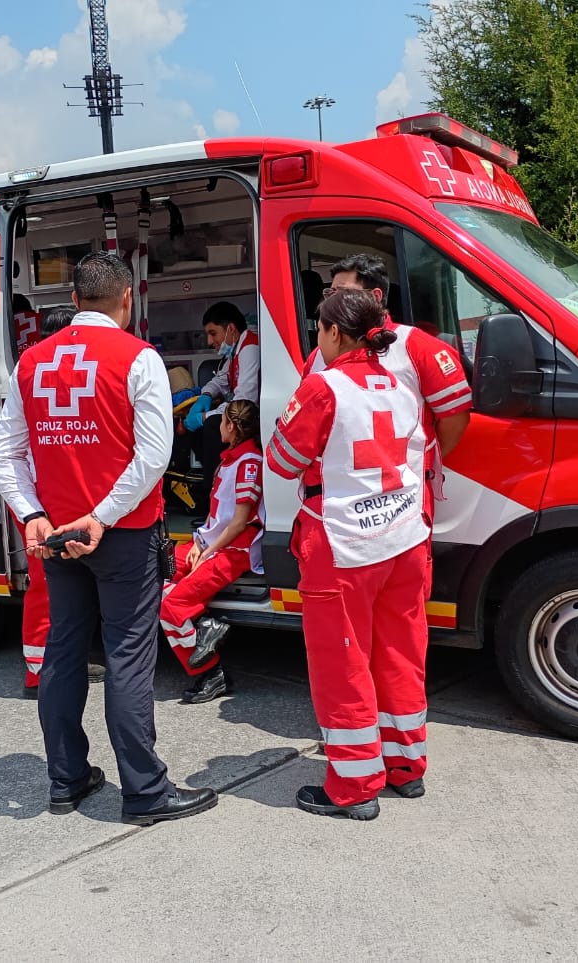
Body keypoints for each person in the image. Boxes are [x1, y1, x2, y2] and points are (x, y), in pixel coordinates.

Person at [0, 251, 217, 826]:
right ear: (127, 299)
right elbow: (153, 456)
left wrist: (32, 513)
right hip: (122, 536)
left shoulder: (31, 363)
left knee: (63, 653)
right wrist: (104, 516)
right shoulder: (139, 359)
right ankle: (144, 792)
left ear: (72, 301)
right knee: (128, 658)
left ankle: (66, 779)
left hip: (57, 536)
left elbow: (3, 454)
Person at [266, 288, 432, 821]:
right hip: (404, 539)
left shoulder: (324, 387)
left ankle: (355, 783)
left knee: (344, 664)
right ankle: (406, 766)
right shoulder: (402, 385)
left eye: (319, 329)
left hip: (344, 548)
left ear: (336, 334)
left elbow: (282, 461)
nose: (317, 338)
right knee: (401, 654)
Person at [306, 254, 472, 509]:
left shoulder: (417, 347)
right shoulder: (318, 355)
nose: (333, 302)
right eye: (330, 293)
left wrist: (418, 461)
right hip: (339, 498)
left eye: (343, 293)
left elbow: (455, 417)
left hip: (402, 495)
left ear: (375, 296)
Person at [15, 303, 105, 698]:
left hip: (46, 495)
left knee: (60, 591)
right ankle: (38, 673)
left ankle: (58, 662)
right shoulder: (43, 374)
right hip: (42, 498)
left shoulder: (37, 372)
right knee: (45, 589)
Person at [160, 399, 263, 705]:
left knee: (171, 607)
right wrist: (198, 543)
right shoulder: (230, 460)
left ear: (231, 426)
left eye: (220, 421)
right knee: (154, 572)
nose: (217, 427)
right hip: (215, 545)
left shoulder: (248, 463)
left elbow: (240, 522)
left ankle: (210, 673)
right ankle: (205, 625)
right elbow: (216, 518)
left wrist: (207, 550)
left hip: (234, 550)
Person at [176, 302, 260, 512]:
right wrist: (205, 395)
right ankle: (202, 491)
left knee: (212, 425)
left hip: (249, 418)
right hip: (239, 413)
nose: (210, 341)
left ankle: (212, 498)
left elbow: (244, 401)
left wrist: (205, 416)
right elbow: (221, 379)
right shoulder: (235, 351)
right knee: (197, 428)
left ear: (230, 328)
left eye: (213, 333)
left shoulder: (250, 349)